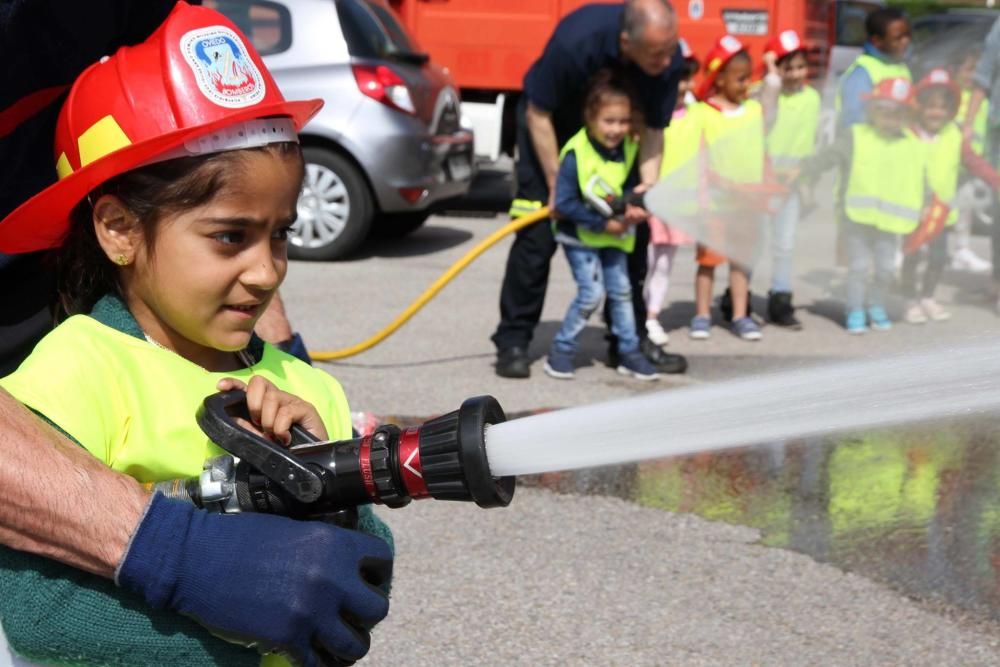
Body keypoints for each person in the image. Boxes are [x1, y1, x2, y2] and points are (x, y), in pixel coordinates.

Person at [0, 5, 392, 666]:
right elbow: (37, 611)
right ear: (119, 229)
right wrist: (228, 636)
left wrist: (328, 495)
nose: (267, 270)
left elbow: (368, 566)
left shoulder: (300, 386)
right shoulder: (74, 372)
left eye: (282, 233)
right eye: (230, 237)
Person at [491, 0, 686, 379]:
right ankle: (513, 340)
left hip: (617, 135)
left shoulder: (667, 58)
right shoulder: (576, 41)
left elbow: (653, 131)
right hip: (551, 128)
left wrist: (646, 188)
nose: (667, 62)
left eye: (670, 50)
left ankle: (628, 341)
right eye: (656, 54)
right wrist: (556, 187)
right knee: (536, 236)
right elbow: (538, 112)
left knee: (633, 235)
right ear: (626, 42)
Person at [543, 70, 658, 382]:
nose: (617, 129)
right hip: (581, 237)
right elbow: (563, 204)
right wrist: (602, 224)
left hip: (614, 236)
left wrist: (634, 208)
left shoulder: (630, 148)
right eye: (609, 121)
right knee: (591, 294)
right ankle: (561, 351)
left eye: (623, 121)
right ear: (590, 117)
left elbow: (631, 190)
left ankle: (629, 353)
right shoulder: (575, 153)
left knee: (621, 292)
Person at [800, 78, 925, 334]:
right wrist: (804, 170)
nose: (890, 117)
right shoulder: (856, 136)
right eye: (884, 110)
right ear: (872, 110)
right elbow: (829, 157)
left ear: (907, 114)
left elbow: (920, 179)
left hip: (890, 223)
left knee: (885, 270)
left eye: (897, 111)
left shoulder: (912, 144)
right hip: (856, 218)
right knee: (857, 268)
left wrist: (926, 205)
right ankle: (855, 309)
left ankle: (876, 304)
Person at [902, 68, 1000, 324]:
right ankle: (909, 299)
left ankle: (928, 297)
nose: (936, 113)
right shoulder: (907, 135)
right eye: (930, 106)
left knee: (937, 258)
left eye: (942, 107)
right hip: (913, 212)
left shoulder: (953, 135)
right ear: (919, 107)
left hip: (941, 212)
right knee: (912, 258)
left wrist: (995, 179)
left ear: (951, 110)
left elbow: (973, 161)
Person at [688, 35, 765, 342]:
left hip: (746, 203)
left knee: (740, 262)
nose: (746, 84)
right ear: (719, 79)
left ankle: (740, 315)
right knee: (707, 263)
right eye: (739, 78)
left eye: (749, 78)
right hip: (715, 203)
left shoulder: (754, 111)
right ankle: (702, 314)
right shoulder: (704, 114)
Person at [761, 29, 820, 329]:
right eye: (787, 67)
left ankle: (781, 299)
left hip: (792, 184)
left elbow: (812, 143)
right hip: (763, 181)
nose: (795, 74)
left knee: (784, 244)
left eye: (800, 66)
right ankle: (737, 296)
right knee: (755, 242)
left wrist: (805, 175)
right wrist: (770, 72)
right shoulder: (768, 94)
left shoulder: (812, 99)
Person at [643, 39, 699, 348]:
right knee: (647, 262)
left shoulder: (698, 114)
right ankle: (637, 313)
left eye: (688, 77)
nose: (683, 85)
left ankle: (652, 315)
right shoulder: (652, 115)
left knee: (665, 264)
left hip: (680, 205)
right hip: (654, 204)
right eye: (679, 77)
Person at [836, 7, 912, 132]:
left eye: (907, 35)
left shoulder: (901, 67)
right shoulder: (862, 73)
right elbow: (854, 120)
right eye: (898, 38)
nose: (906, 41)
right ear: (877, 41)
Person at [952, 45, 993, 274]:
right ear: (956, 70)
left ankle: (962, 251)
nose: (972, 76)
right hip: (947, 168)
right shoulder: (949, 97)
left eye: (976, 71)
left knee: (964, 211)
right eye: (968, 69)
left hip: (970, 170)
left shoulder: (983, 102)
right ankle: (917, 250)